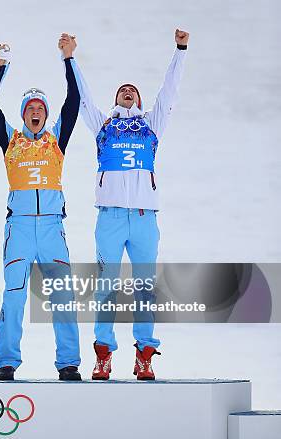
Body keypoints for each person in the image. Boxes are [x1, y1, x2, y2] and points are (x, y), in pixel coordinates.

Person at [72, 29, 190, 380]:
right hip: (109, 217)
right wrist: (70, 59)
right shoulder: (103, 126)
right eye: (123, 89)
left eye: (133, 90)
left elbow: (169, 92)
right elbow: (80, 98)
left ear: (138, 100)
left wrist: (180, 50)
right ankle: (103, 354)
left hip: (143, 219)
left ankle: (144, 355)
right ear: (116, 98)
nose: (128, 91)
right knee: (105, 288)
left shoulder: (152, 125)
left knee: (144, 289)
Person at [0, 34, 82, 381]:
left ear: (46, 114)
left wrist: (68, 59)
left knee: (63, 299)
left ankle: (69, 363)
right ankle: (6, 362)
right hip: (19, 229)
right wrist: (0, 68)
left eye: (40, 107)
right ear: (23, 114)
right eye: (30, 108)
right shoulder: (11, 140)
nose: (36, 111)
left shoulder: (57, 140)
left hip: (52, 228)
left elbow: (74, 101)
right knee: (13, 297)